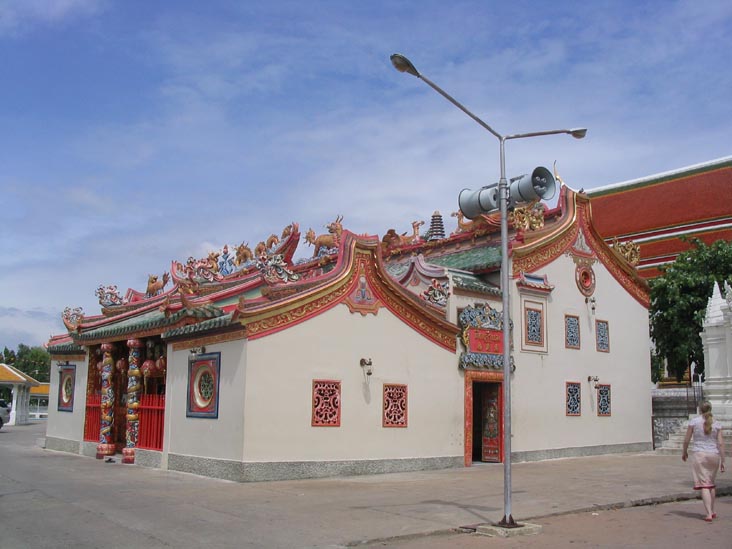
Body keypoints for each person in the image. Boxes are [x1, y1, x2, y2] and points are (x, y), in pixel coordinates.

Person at [682, 401, 726, 521]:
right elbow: (721, 443)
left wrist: (684, 451)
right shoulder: (717, 423)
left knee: (704, 485)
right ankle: (712, 510)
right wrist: (723, 460)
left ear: (700, 409)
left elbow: (687, 439)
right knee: (711, 483)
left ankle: (708, 513)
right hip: (714, 455)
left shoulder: (694, 422)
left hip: (699, 454)